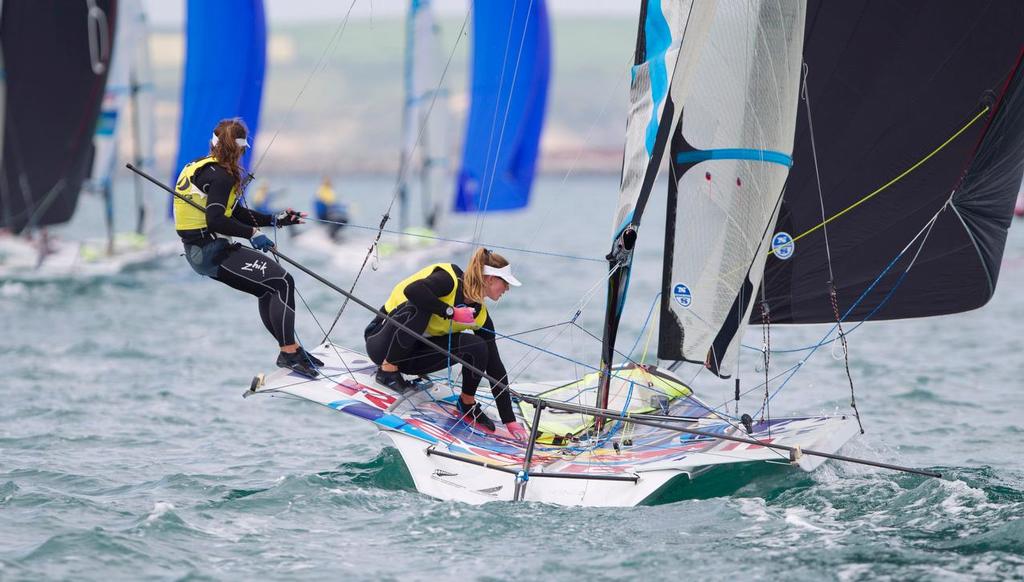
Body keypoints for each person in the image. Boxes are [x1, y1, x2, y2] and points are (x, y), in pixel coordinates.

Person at [174, 118, 319, 378]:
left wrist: (275, 219)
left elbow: (234, 212)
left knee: (269, 289)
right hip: (210, 252)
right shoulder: (221, 177)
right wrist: (252, 233)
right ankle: (288, 353)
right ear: (240, 149)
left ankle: (291, 349)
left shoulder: (200, 167)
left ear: (213, 142)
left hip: (203, 250)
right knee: (283, 282)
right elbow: (216, 220)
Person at [364, 248, 529, 440]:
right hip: (381, 343)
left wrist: (509, 419)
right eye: (505, 283)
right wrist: (450, 312)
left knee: (477, 346)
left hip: (412, 357)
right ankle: (387, 372)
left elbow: (495, 366)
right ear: (490, 279)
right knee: (420, 305)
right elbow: (413, 291)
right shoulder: (448, 279)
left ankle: (467, 403)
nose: (507, 289)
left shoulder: (479, 314)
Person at [314, 176, 348, 241]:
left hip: (327, 214)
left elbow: (333, 203)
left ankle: (333, 234)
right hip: (324, 215)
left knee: (342, 219)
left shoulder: (326, 190)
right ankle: (331, 236)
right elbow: (331, 203)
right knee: (342, 220)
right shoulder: (323, 190)